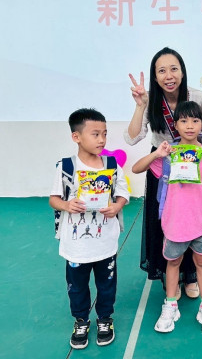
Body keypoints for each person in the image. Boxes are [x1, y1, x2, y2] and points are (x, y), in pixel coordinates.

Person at [132, 101, 202, 334]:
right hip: (174, 222)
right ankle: (170, 305)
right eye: (183, 121)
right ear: (175, 125)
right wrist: (157, 154)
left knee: (201, 262)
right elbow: (136, 168)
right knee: (173, 262)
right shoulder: (169, 154)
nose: (190, 126)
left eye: (195, 120)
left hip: (201, 222)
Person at [124, 47, 202, 299]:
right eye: (161, 71)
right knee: (165, 222)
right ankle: (170, 276)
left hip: (190, 160)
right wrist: (140, 105)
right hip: (162, 164)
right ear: (155, 76)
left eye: (173, 69)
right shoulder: (150, 99)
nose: (168, 75)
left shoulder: (197, 96)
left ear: (182, 72)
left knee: (192, 219)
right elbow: (132, 138)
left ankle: (191, 275)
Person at [49, 108, 129, 349]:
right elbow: (54, 199)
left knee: (107, 284)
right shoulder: (66, 167)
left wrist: (117, 206)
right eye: (95, 134)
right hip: (76, 245)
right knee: (77, 287)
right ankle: (81, 321)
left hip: (105, 242)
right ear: (76, 137)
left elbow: (123, 193)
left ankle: (105, 319)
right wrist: (67, 205)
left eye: (104, 134)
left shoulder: (112, 165)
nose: (102, 139)